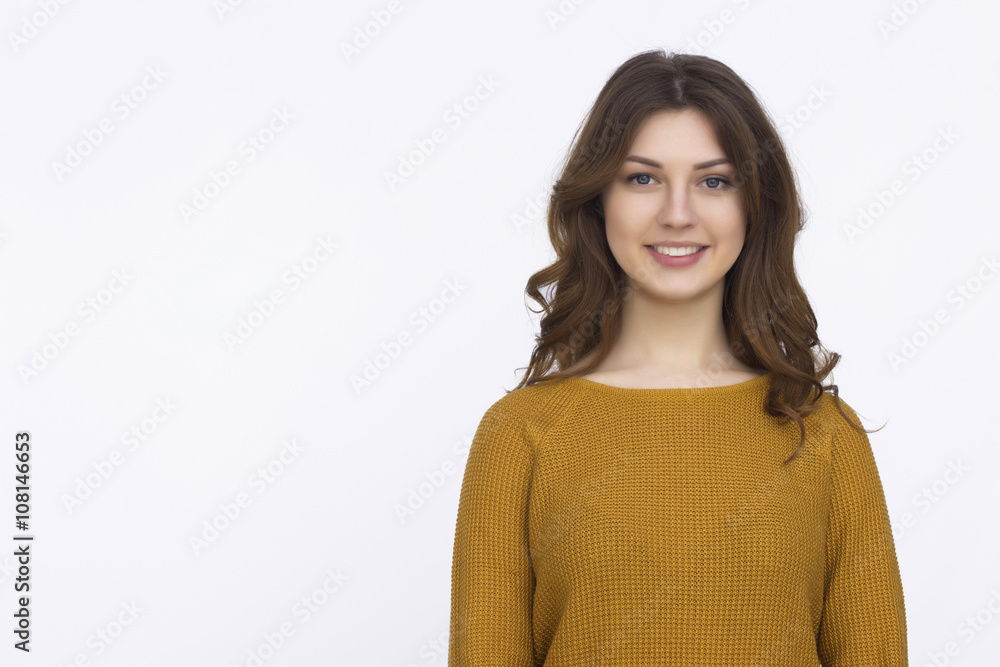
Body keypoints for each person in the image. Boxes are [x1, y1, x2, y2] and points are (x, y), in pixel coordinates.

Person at [448, 49, 907, 665]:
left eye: (713, 181)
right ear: (598, 201)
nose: (677, 213)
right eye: (643, 178)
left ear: (754, 206)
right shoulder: (519, 436)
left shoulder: (825, 436)